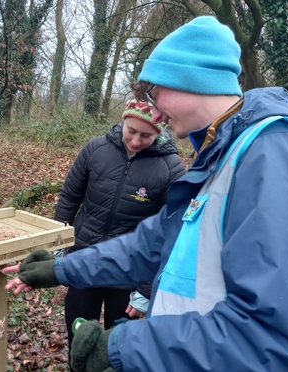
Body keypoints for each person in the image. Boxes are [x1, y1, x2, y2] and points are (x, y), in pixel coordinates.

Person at [3, 15, 288, 371]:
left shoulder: (268, 152)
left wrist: (118, 346)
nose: (155, 110)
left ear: (189, 78)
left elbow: (270, 333)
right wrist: (61, 268)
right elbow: (147, 246)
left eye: (155, 93)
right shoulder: (219, 157)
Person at [53, 98, 186, 365]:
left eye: (146, 135)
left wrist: (146, 291)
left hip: (130, 276)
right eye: (131, 131)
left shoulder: (171, 169)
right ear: (122, 122)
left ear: (160, 132)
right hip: (85, 264)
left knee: (120, 352)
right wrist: (59, 247)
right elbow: (69, 199)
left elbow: (172, 232)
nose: (136, 140)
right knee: (78, 341)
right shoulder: (95, 149)